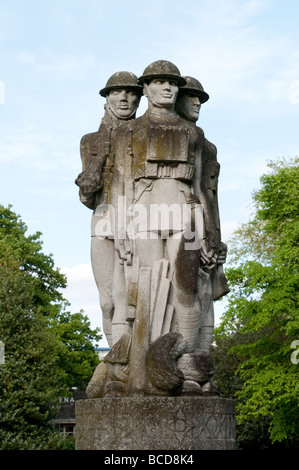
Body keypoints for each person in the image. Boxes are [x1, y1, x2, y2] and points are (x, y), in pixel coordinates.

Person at [111, 61, 220, 395]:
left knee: (187, 287)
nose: (168, 88)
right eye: (159, 82)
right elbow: (120, 182)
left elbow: (202, 187)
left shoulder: (193, 134)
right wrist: (119, 229)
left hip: (185, 213)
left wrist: (212, 233)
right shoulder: (128, 131)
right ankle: (141, 366)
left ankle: (186, 360)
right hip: (143, 212)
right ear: (146, 88)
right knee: (143, 288)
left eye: (172, 83)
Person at [75, 72, 143, 347]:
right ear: (107, 98)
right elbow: (86, 196)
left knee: (128, 294)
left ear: (139, 98)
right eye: (118, 92)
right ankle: (116, 355)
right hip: (102, 217)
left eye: (131, 93)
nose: (125, 98)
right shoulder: (90, 140)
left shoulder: (144, 135)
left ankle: (128, 354)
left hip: (137, 219)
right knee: (106, 301)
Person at [175, 76, 229, 361]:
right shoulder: (177, 136)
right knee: (188, 290)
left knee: (207, 296)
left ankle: (200, 359)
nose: (197, 102)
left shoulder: (208, 147)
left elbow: (210, 195)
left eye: (200, 99)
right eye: (191, 97)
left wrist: (215, 237)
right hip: (181, 223)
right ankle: (185, 360)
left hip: (206, 225)